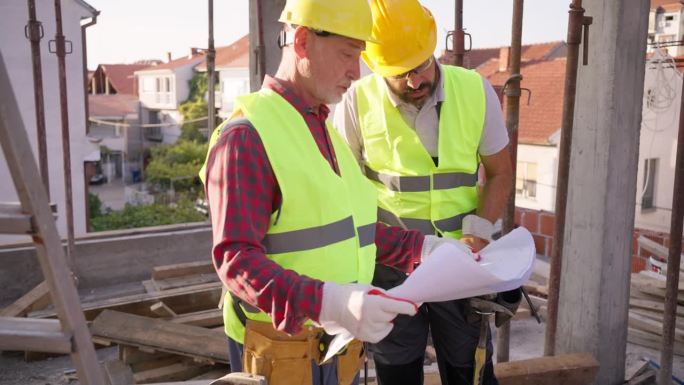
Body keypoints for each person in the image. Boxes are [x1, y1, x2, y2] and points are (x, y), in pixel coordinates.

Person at [199, 1, 428, 384]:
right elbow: (235, 261)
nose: (356, 73)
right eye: (346, 55)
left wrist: (423, 249)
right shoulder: (247, 137)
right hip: (280, 352)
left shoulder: (325, 129)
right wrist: (329, 302)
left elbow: (353, 226)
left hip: (336, 346)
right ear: (303, 41)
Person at [333, 0, 514, 384]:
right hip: (391, 269)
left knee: (470, 370)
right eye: (400, 74)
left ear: (434, 51)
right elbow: (341, 191)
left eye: (420, 66)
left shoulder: (475, 91)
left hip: (463, 262)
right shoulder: (356, 102)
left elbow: (499, 173)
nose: (415, 81)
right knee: (397, 371)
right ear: (377, 66)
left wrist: (478, 232)